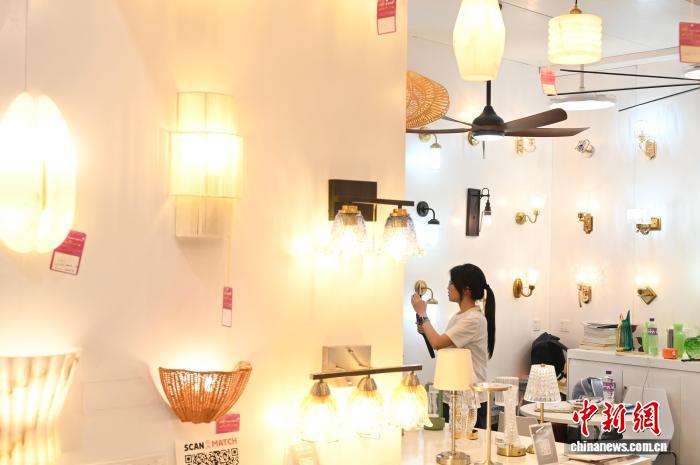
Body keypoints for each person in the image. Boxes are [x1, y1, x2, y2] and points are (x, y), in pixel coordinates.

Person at [411, 263, 496, 429]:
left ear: (466, 290)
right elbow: (444, 347)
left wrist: (423, 313)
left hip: (470, 401)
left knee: (468, 443)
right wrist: (425, 331)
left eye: (452, 283)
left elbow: (437, 342)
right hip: (453, 393)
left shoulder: (473, 319)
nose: (448, 287)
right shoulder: (460, 316)